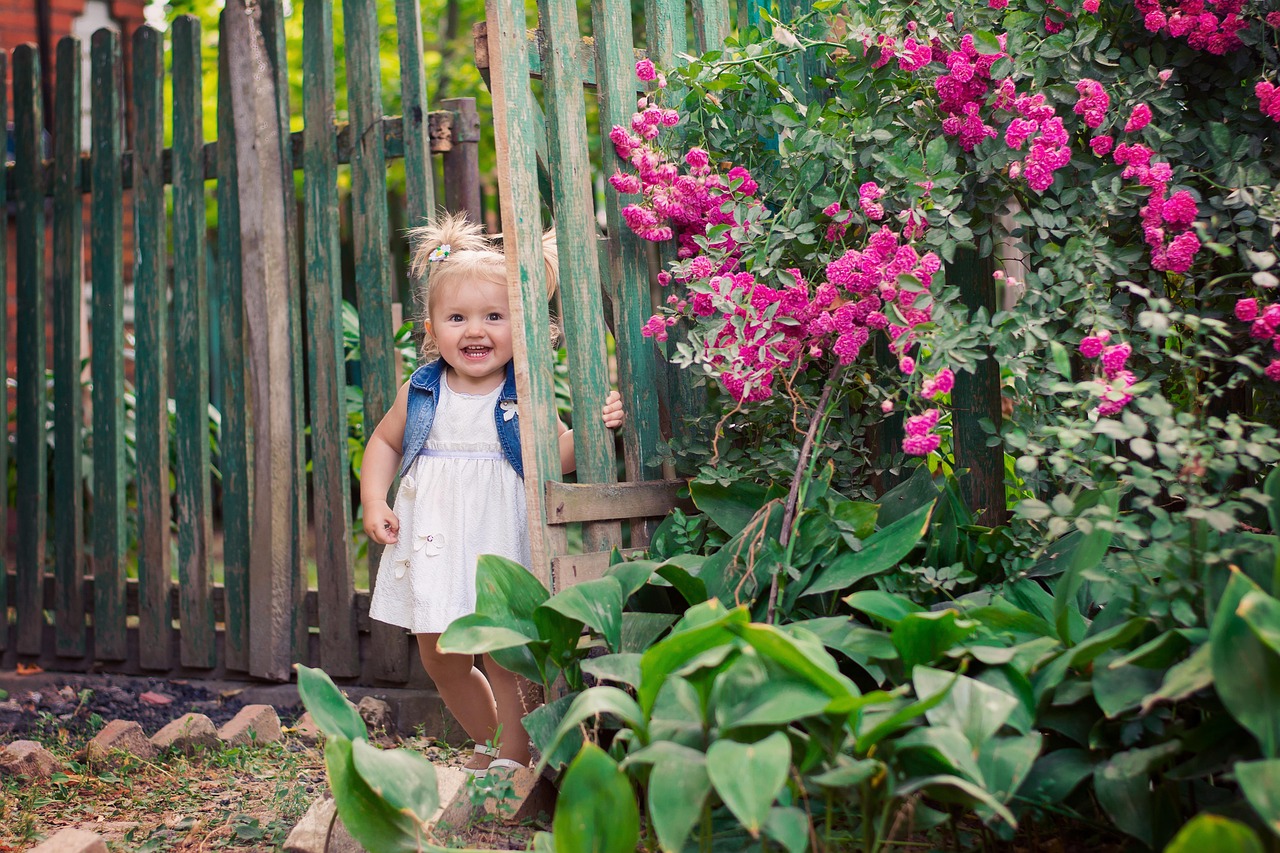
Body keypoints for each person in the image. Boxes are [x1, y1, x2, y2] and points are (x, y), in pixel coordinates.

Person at [359, 213, 623, 778]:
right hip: (434, 535)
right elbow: (384, 440)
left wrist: (599, 427)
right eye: (457, 318)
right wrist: (374, 499)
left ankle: (512, 757)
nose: (475, 330)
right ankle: (489, 737)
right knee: (440, 654)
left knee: (503, 653)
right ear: (433, 328)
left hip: (496, 534)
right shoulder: (424, 388)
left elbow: (556, 455)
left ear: (523, 329)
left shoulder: (522, 392)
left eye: (494, 317)